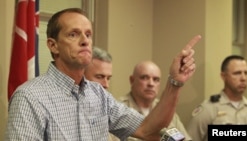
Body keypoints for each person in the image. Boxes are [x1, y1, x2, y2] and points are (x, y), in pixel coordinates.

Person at [5, 8, 201, 140]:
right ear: (53, 45)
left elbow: (148, 129)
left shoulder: (98, 95)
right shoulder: (30, 97)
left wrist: (175, 82)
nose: (85, 41)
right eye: (73, 34)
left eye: (88, 34)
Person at [119, 60, 192, 141]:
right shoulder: (119, 110)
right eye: (144, 78)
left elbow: (184, 139)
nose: (151, 84)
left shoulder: (166, 109)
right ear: (132, 80)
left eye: (156, 79)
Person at [187, 55, 247, 141]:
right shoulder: (208, 109)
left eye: (246, 73)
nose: (243, 78)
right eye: (237, 73)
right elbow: (191, 138)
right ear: (223, 76)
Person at [84, 46, 120, 141]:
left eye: (108, 78)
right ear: (82, 76)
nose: (106, 85)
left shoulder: (108, 109)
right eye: (100, 77)